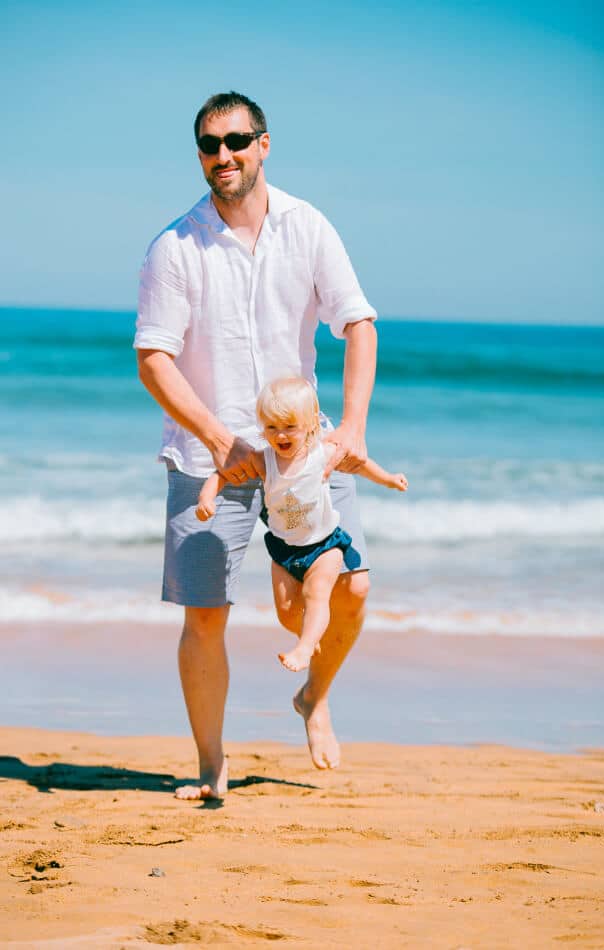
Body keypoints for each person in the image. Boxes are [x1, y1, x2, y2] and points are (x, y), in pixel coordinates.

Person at [135, 91, 381, 800]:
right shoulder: (175, 247)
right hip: (206, 456)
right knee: (206, 614)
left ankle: (314, 696)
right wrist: (218, 438)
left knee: (354, 588)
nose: (224, 156)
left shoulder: (308, 228)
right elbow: (155, 357)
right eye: (209, 145)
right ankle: (212, 769)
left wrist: (354, 428)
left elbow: (358, 325)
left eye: (237, 141)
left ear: (264, 144)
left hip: (304, 452)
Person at [195, 378, 407, 673]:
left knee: (316, 594)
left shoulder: (322, 453)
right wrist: (207, 497)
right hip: (284, 549)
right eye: (272, 427)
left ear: (310, 424)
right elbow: (223, 474)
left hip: (324, 545)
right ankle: (309, 637)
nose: (280, 434)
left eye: (289, 426)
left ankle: (305, 648)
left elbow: (359, 464)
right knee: (286, 613)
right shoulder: (263, 460)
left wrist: (388, 479)